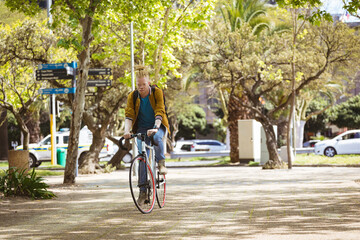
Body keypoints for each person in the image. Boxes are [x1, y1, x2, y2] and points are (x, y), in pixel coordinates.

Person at [123, 65, 170, 206]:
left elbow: (160, 110)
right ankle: (143, 192)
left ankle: (161, 163)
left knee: (156, 138)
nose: (141, 87)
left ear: (148, 83)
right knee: (142, 158)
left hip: (158, 125)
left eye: (143, 84)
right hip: (142, 128)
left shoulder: (156, 92)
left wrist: (155, 127)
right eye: (139, 85)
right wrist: (126, 131)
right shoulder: (133, 96)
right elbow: (129, 114)